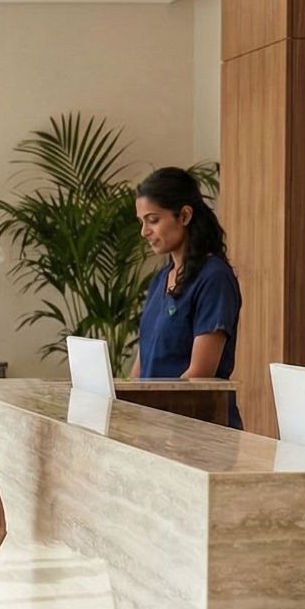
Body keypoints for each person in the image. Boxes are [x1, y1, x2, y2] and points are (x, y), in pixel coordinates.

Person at [133, 166, 242, 428]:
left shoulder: (213, 278)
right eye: (141, 222)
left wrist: (154, 421)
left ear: (184, 215)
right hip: (156, 431)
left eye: (153, 220)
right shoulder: (161, 279)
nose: (144, 231)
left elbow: (198, 376)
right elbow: (142, 364)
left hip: (197, 431)